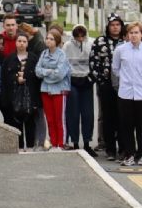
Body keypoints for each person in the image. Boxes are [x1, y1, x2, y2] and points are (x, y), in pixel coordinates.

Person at [110, 22, 142, 167]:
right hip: (125, 93)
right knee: (127, 126)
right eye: (131, 33)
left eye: (136, 32)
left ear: (141, 34)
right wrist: (125, 78)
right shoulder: (120, 50)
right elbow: (115, 68)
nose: (134, 35)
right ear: (127, 35)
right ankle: (129, 154)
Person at [91, 16, 124, 161]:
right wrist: (101, 81)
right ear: (108, 26)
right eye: (112, 25)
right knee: (108, 118)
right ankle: (110, 149)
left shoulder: (126, 41)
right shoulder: (100, 41)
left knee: (123, 117)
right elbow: (93, 62)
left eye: (117, 24)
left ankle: (123, 149)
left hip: (124, 86)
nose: (115, 27)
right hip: (106, 85)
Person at [35, 27, 71, 152]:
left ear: (57, 41)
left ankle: (60, 144)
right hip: (45, 90)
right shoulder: (44, 54)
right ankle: (53, 142)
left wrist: (46, 74)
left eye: (51, 39)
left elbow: (60, 74)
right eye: (47, 38)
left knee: (59, 119)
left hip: (59, 90)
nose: (48, 41)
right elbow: (37, 71)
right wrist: (50, 72)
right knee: (49, 119)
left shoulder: (62, 55)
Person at [0, 33, 39, 149]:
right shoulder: (9, 59)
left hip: (30, 98)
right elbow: (4, 78)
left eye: (24, 41)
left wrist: (37, 101)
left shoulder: (33, 59)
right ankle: (19, 148)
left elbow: (37, 80)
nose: (21, 44)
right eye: (19, 41)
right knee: (16, 125)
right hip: (13, 98)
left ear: (27, 44)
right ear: (16, 43)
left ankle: (31, 147)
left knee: (30, 124)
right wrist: (16, 78)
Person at [64, 25, 95, 154]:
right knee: (73, 113)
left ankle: (87, 142)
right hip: (73, 81)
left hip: (86, 81)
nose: (80, 39)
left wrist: (92, 77)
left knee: (88, 114)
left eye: (82, 36)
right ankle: (75, 142)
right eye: (78, 36)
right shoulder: (67, 46)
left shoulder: (91, 44)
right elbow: (64, 63)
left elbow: (94, 62)